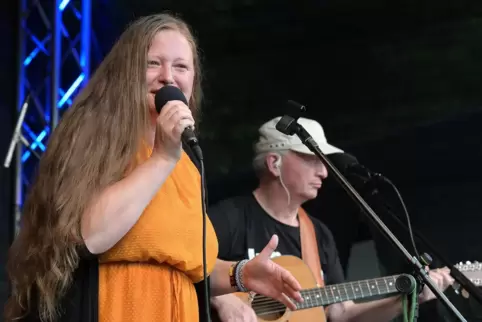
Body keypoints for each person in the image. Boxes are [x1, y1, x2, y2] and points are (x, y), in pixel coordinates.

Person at [4, 14, 304, 322]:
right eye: (152, 63)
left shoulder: (185, 161)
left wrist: (240, 273)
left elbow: (182, 259)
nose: (167, 77)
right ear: (127, 72)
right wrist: (161, 158)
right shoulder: (93, 136)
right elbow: (90, 235)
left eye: (181, 66)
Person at [208, 116, 455, 322]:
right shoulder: (229, 218)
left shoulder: (318, 234)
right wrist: (223, 298)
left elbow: (341, 312)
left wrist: (405, 299)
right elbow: (181, 266)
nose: (324, 172)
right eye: (312, 159)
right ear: (274, 163)